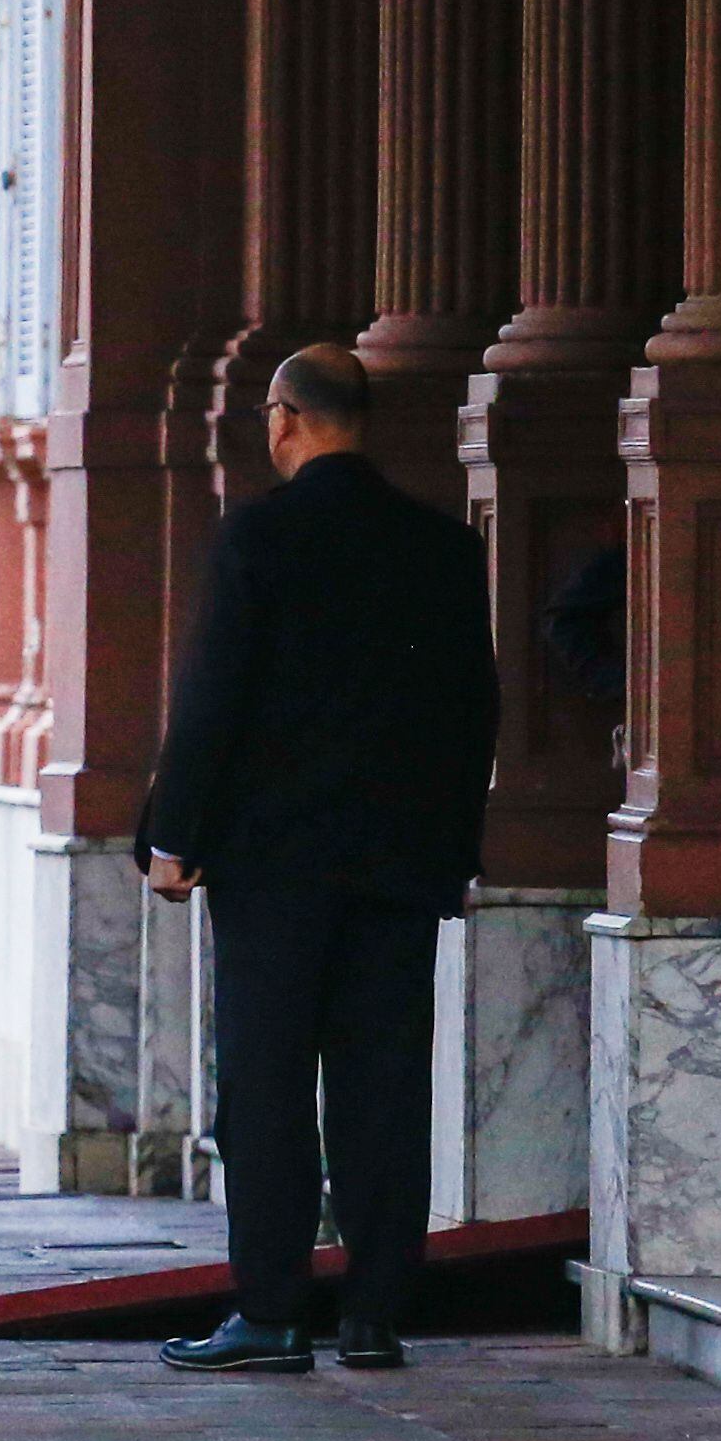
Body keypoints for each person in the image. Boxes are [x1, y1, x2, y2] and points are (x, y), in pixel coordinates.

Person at [138, 345, 498, 1375]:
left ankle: (272, 1308)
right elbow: (473, 708)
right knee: (385, 1083)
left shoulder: (260, 535)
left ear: (284, 419)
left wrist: (174, 836)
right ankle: (377, 1313)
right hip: (397, 862)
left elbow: (214, 697)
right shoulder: (439, 546)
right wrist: (450, 848)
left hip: (272, 864)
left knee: (268, 1081)